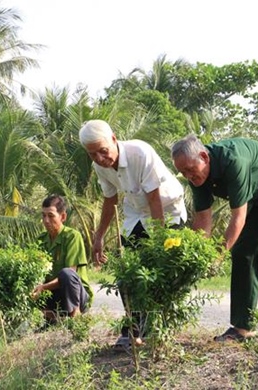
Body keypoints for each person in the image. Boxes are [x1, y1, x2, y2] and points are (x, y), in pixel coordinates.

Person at [171, 135, 258, 341]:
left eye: (191, 169)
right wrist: (198, 256)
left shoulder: (233, 161)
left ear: (203, 157)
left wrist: (217, 256)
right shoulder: (196, 177)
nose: (189, 175)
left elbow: (238, 218)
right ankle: (243, 327)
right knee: (244, 251)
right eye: (183, 172)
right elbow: (202, 220)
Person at [78, 119, 187, 348]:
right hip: (136, 213)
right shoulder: (100, 166)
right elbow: (110, 200)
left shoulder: (140, 152)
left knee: (161, 270)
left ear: (114, 139)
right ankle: (132, 330)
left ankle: (157, 329)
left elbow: (154, 199)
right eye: (92, 154)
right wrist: (98, 237)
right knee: (128, 272)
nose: (99, 158)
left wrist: (158, 242)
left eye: (103, 151)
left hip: (166, 211)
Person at [32, 195, 93, 324]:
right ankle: (51, 316)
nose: (46, 220)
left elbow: (70, 273)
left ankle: (75, 316)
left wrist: (43, 287)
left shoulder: (72, 237)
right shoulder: (40, 240)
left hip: (76, 295)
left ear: (63, 217)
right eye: (43, 216)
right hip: (52, 294)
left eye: (51, 215)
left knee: (66, 273)